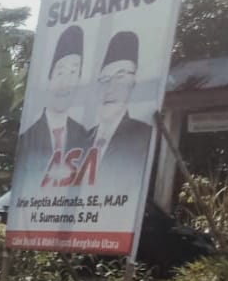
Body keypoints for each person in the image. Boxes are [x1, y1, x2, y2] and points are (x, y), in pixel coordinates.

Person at [15, 24, 91, 190]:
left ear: (79, 79)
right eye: (60, 72)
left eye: (73, 73)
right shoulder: (29, 139)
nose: (65, 83)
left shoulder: (85, 137)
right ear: (49, 79)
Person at [87, 31, 153, 191]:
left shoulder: (144, 136)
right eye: (104, 80)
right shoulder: (81, 139)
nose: (110, 88)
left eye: (120, 77)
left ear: (133, 83)